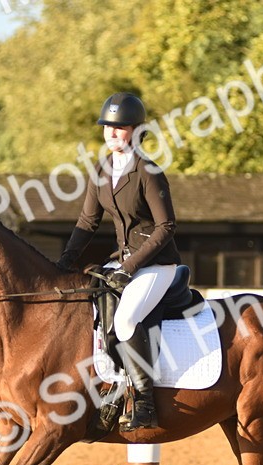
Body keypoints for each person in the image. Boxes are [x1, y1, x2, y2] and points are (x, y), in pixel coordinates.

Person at [55, 92, 182, 431]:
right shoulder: (101, 170)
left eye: (119, 127)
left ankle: (145, 404)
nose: (111, 133)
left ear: (136, 131)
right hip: (123, 263)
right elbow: (86, 223)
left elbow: (166, 226)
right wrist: (65, 261)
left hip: (156, 265)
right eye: (107, 127)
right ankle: (113, 390)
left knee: (125, 321)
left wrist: (129, 267)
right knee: (91, 312)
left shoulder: (148, 170)